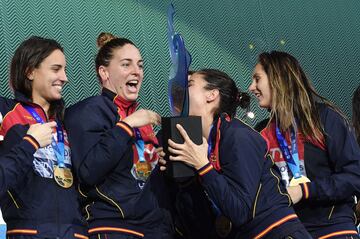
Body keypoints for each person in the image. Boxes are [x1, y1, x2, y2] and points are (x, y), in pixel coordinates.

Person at [160, 68, 311, 238]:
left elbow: (239, 211)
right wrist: (185, 181)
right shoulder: (206, 146)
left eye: (189, 84)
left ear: (212, 95)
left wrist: (203, 166)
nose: (181, 90)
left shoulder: (238, 135)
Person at [64, 32, 174, 239]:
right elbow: (89, 171)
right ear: (104, 73)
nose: (136, 72)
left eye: (140, 65)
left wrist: (156, 160)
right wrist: (126, 126)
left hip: (153, 228)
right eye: (126, 65)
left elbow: (134, 175)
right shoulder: (88, 111)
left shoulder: (141, 119)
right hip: (114, 227)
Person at [249, 51, 360, 238]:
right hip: (289, 231)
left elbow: (355, 175)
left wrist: (305, 190)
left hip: (332, 230)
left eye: (257, 79)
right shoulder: (262, 133)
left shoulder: (324, 118)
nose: (251, 87)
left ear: (278, 78)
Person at [0, 36, 88, 238]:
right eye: (56, 69)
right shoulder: (6, 114)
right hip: (29, 231)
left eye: (64, 70)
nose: (65, 77)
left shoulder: (69, 122)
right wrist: (30, 143)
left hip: (75, 233)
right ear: (30, 71)